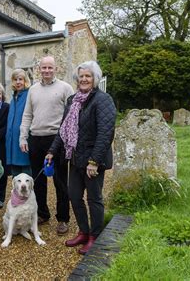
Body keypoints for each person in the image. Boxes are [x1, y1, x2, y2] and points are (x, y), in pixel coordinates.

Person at [46, 61, 116, 255]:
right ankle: (83, 232)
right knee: (74, 196)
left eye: (88, 76)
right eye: (81, 76)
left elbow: (106, 133)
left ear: (95, 79)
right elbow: (63, 129)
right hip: (75, 158)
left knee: (94, 199)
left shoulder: (102, 100)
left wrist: (94, 161)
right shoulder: (72, 100)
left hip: (93, 161)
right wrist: (52, 151)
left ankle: (95, 236)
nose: (84, 79)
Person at [19, 56, 74, 235]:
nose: (47, 71)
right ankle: (42, 213)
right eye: (44, 68)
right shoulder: (33, 90)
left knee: (60, 181)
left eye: (50, 67)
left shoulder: (66, 88)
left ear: (55, 69)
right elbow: (27, 115)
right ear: (39, 69)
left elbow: (72, 117)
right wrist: (23, 137)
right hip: (36, 138)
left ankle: (63, 219)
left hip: (57, 139)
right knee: (38, 180)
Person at [5, 69, 32, 176]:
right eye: (15, 79)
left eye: (20, 79)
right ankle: (16, 193)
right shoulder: (13, 99)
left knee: (26, 173)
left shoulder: (29, 95)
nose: (18, 82)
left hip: (23, 140)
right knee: (15, 176)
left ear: (25, 80)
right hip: (12, 141)